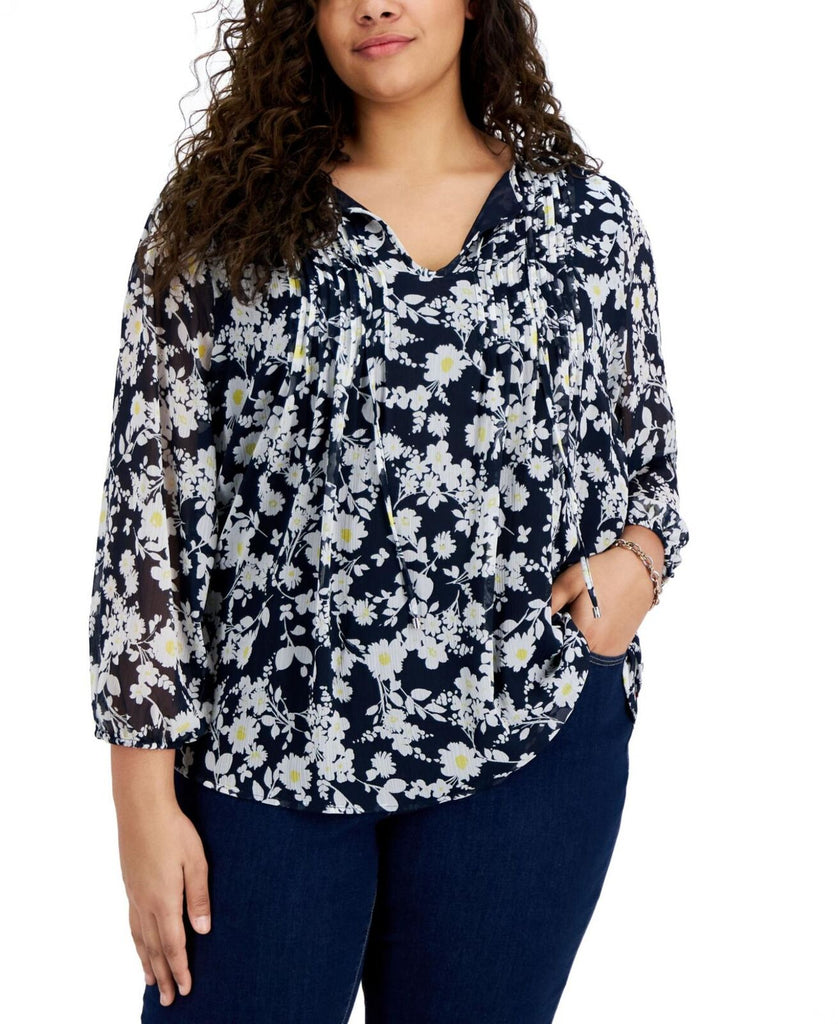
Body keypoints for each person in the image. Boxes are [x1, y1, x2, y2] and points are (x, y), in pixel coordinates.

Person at [88, 1, 690, 1021]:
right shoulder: (218, 224)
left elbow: (648, 458)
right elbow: (148, 507)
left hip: (527, 742)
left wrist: (636, 567)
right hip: (267, 747)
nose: (376, 4)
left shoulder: (587, 224)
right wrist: (139, 797)